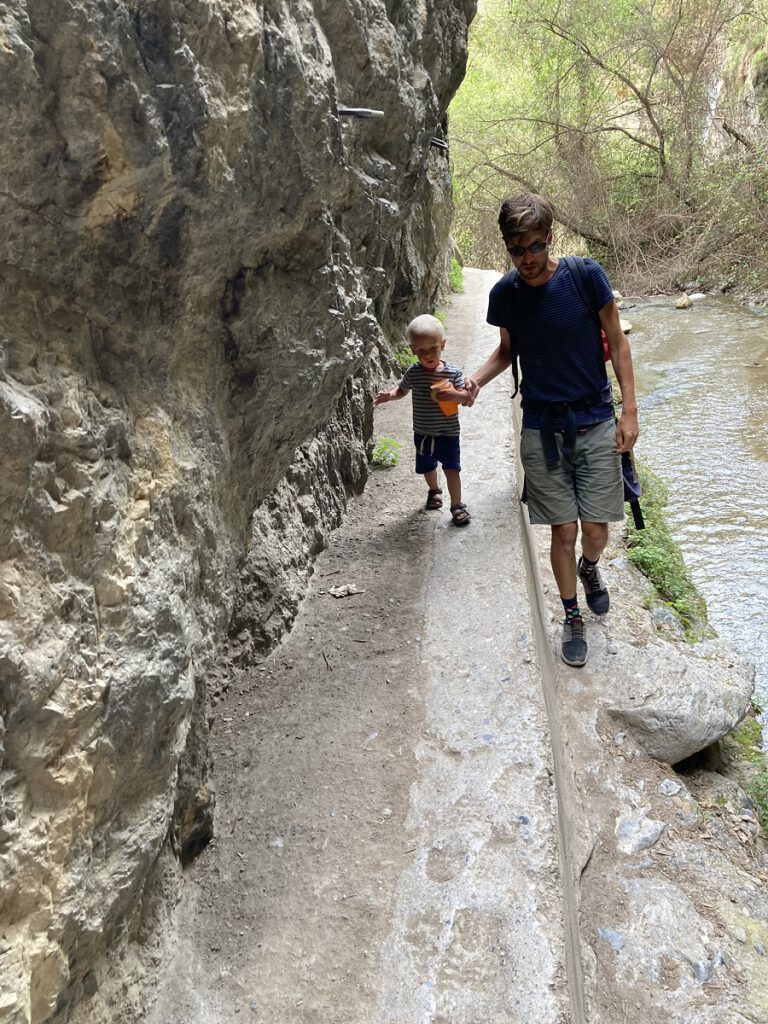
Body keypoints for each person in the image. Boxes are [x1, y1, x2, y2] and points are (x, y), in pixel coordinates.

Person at [464, 193, 639, 665]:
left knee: (596, 529)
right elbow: (506, 351)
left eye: (535, 248)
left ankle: (590, 568)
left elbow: (619, 345)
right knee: (562, 530)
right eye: (517, 251)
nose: (527, 260)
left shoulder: (586, 276)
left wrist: (630, 413)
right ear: (507, 247)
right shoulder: (505, 294)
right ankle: (571, 615)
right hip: (542, 427)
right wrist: (475, 381)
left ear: (550, 239)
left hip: (596, 419)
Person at [375, 313, 471, 526]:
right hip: (424, 432)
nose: (428, 354)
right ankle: (434, 490)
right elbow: (402, 390)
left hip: (448, 432)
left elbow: (465, 398)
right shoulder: (414, 373)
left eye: (433, 348)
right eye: (422, 350)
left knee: (452, 468)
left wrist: (453, 395)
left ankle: (457, 505)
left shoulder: (453, 373)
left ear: (442, 345)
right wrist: (389, 395)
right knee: (428, 466)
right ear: (413, 350)